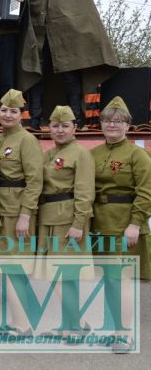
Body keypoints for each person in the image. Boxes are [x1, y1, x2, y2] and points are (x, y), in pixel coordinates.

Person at [23, 0, 119, 129]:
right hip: (39, 35)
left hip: (67, 35)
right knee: (37, 76)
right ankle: (36, 120)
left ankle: (76, 119)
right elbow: (22, 1)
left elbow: (81, 4)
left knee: (71, 78)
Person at [90, 97, 151, 352]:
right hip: (100, 225)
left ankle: (125, 334)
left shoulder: (137, 155)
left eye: (118, 121)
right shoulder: (93, 154)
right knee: (108, 281)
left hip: (125, 226)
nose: (112, 124)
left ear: (128, 125)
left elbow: (146, 191)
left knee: (123, 281)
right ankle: (114, 329)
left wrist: (136, 223)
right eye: (107, 120)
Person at [36, 105, 94, 279]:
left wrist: (78, 224)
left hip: (68, 220)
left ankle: (72, 308)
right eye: (55, 126)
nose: (60, 130)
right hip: (48, 218)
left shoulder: (81, 153)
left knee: (65, 275)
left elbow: (85, 192)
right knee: (52, 275)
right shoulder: (48, 154)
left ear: (75, 127)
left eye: (65, 126)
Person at [0, 89, 43, 255]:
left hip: (16, 212)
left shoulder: (27, 139)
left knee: (16, 268)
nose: (8, 115)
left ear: (21, 115)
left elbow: (35, 180)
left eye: (14, 111)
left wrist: (25, 215)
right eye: (4, 110)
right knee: (0, 270)